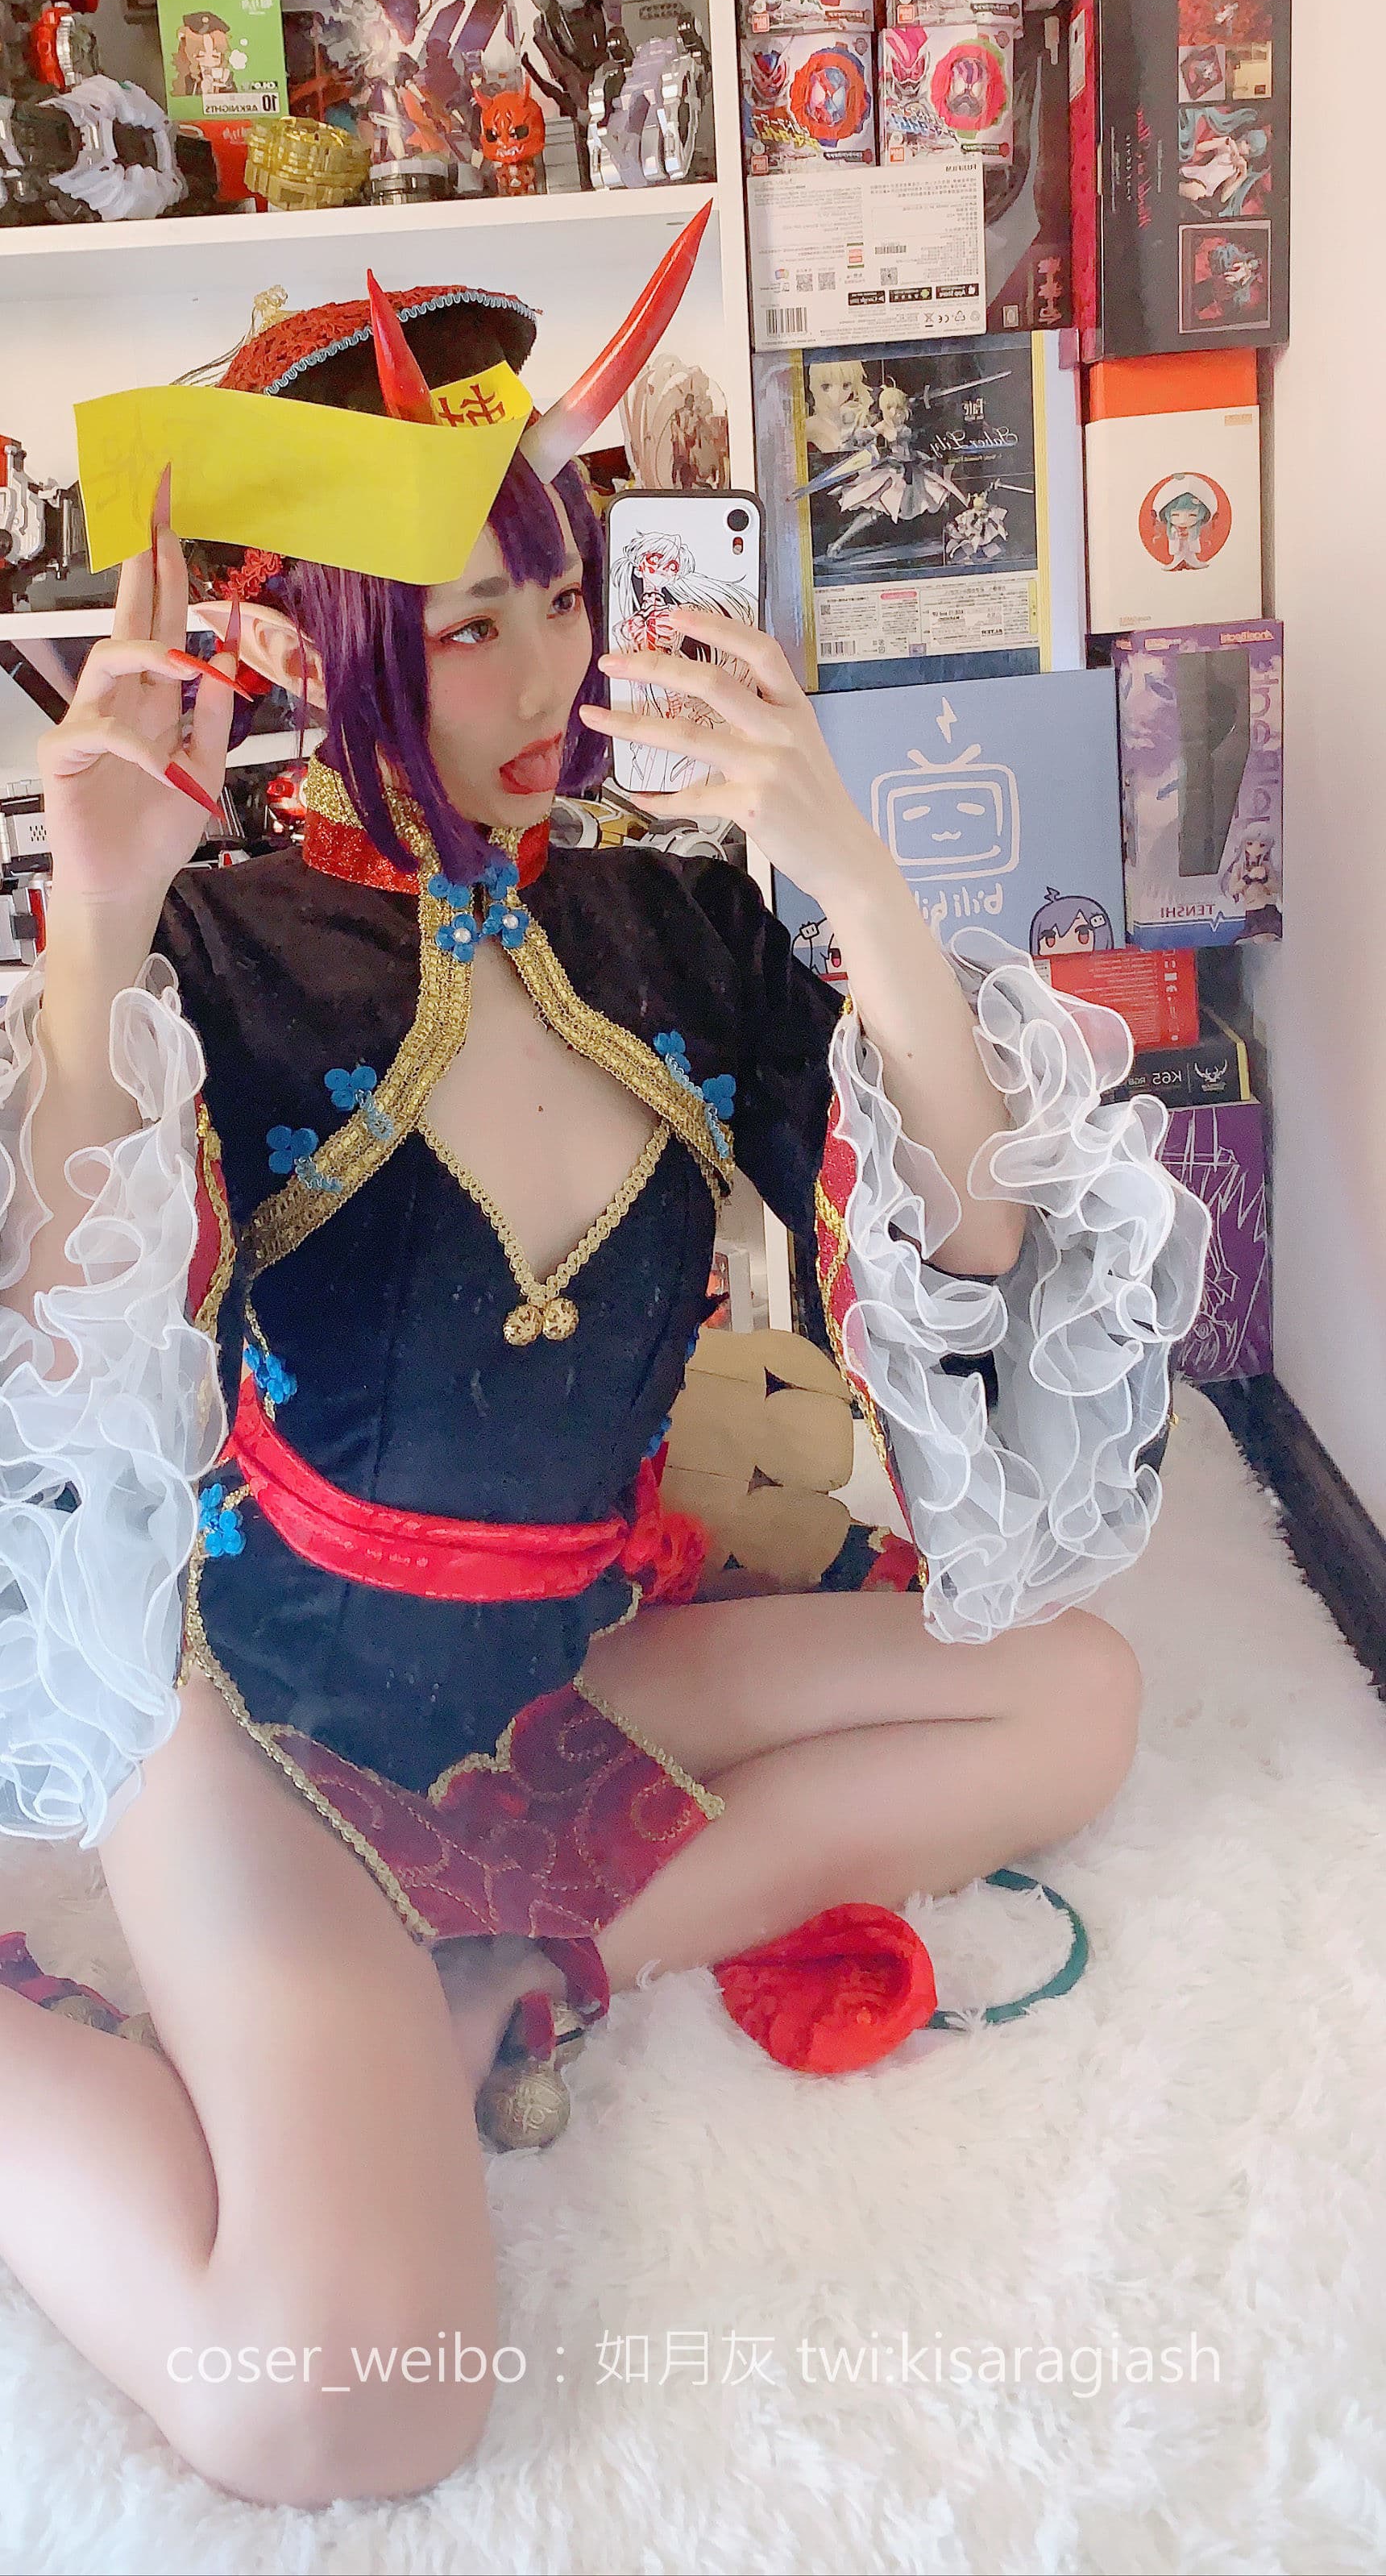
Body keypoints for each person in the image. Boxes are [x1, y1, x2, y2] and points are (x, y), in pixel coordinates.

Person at [0, 233, 1206, 2509]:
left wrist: (851, 874)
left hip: (565, 1656)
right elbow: (55, 1361)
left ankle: (503, 1968)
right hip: (269, 1717)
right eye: (469, 623)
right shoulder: (228, 947)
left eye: (560, 593)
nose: (548, 667)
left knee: (1075, 1696)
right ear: (322, 643)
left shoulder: (673, 917)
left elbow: (975, 1245)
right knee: (349, 2392)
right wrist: (97, 931)